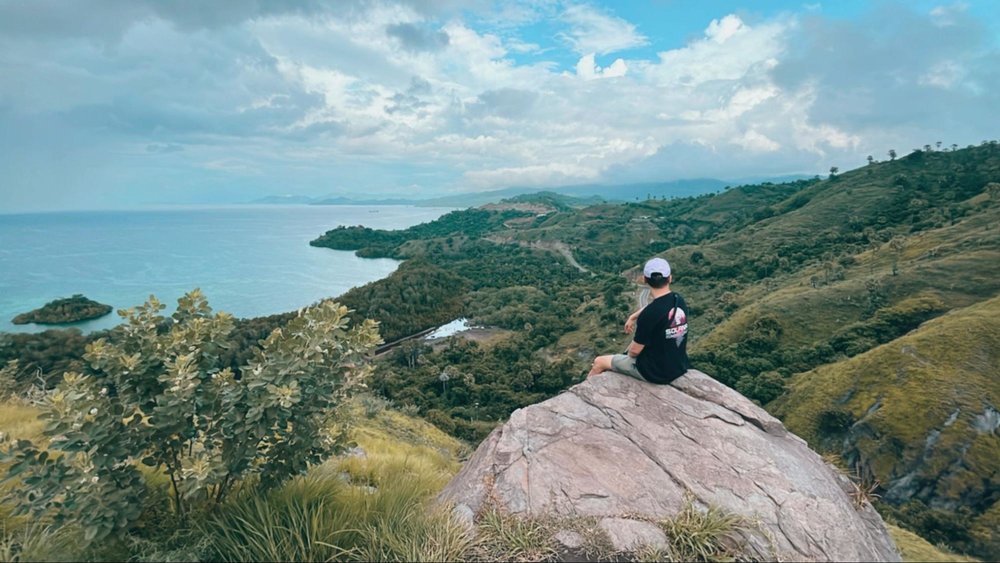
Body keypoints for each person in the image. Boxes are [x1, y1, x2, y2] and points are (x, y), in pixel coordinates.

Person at [588, 257, 690, 384]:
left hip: (655, 372)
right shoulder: (678, 300)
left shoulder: (649, 314)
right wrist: (634, 316)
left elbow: (634, 352)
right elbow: (659, 307)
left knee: (599, 362)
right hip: (678, 366)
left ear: (645, 279)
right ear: (670, 278)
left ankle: (581, 392)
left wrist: (628, 355)